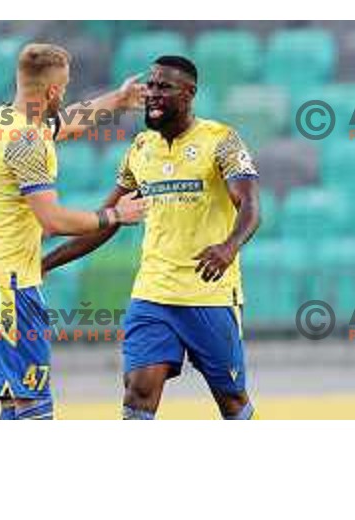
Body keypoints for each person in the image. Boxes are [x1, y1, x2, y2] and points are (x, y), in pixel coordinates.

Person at [43, 55, 261, 420]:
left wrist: (228, 247)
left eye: (164, 87)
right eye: (151, 86)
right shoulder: (140, 149)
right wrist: (46, 262)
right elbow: (106, 220)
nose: (153, 95)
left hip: (209, 295)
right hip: (153, 294)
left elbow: (251, 205)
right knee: (138, 390)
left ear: (189, 93)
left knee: (232, 401)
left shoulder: (221, 141)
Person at [0, 43, 146, 420]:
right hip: (9, 287)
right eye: (62, 88)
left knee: (15, 403)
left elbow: (66, 123)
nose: (64, 95)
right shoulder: (27, 141)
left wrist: (117, 99)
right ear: (51, 92)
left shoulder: (5, 122)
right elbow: (53, 221)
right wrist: (114, 215)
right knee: (35, 405)